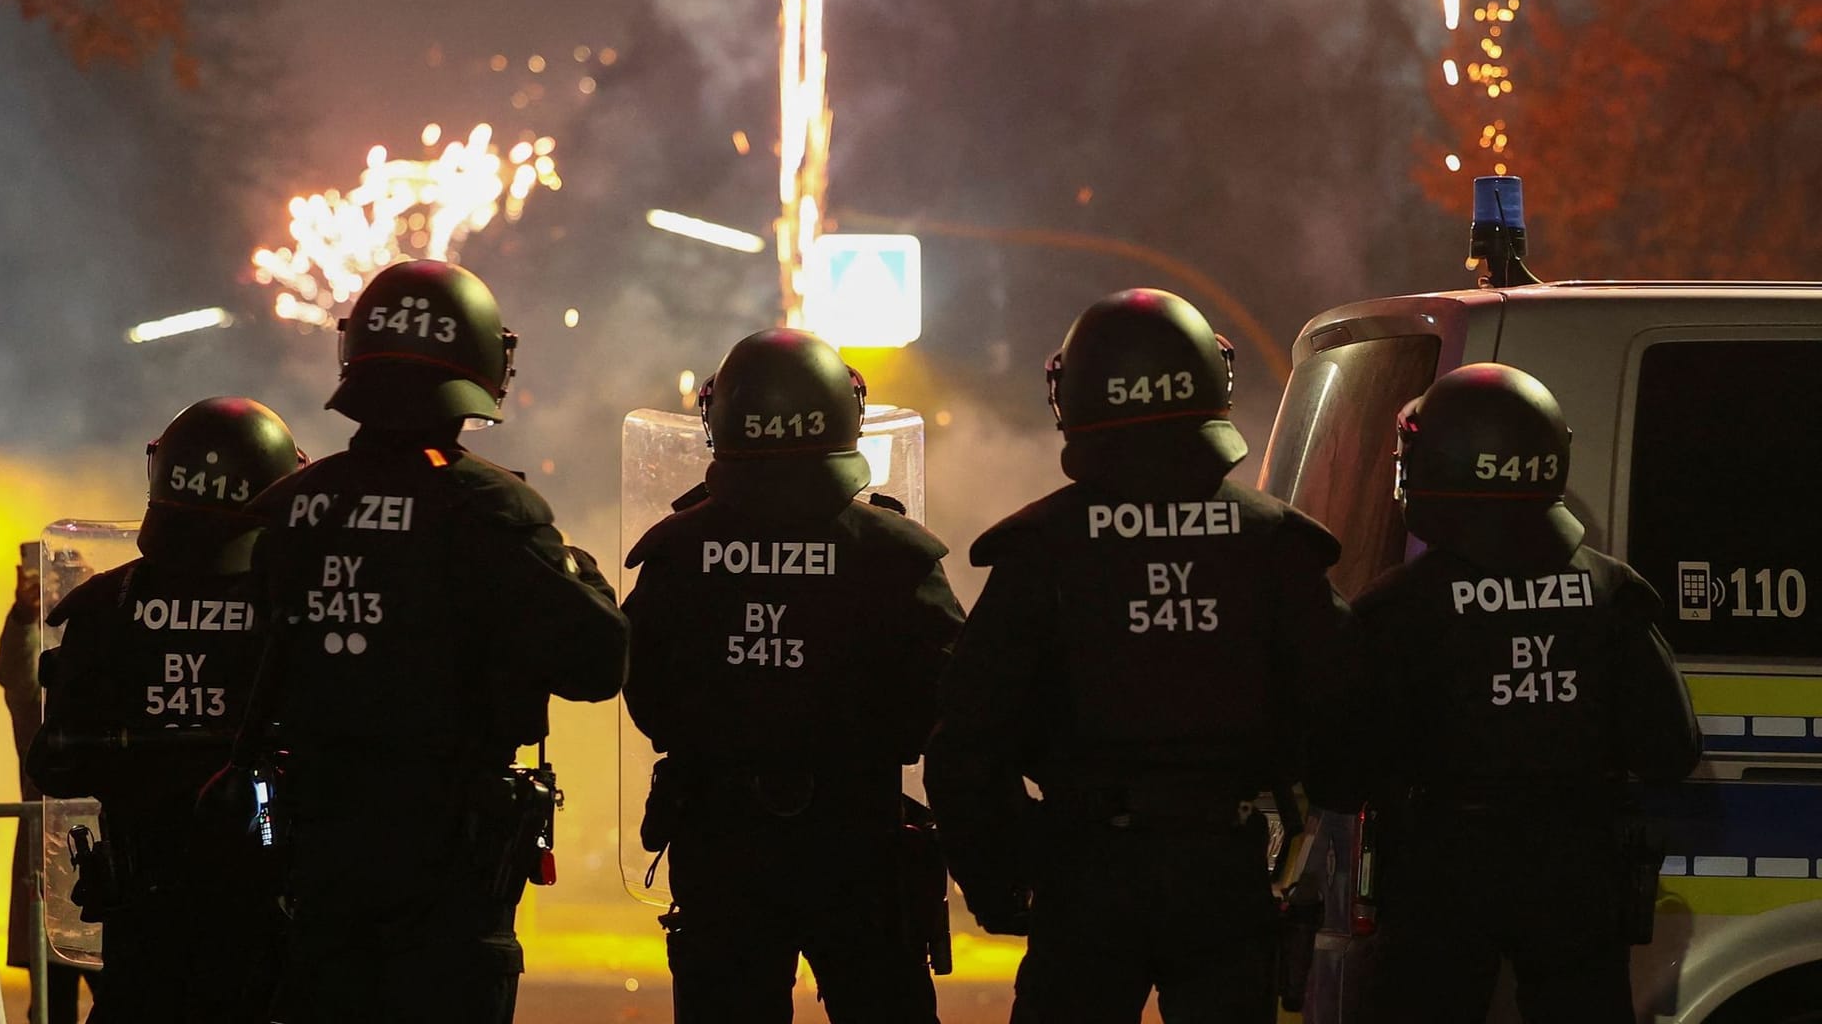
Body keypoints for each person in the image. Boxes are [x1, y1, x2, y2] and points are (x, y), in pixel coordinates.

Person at [925, 288, 1357, 1024]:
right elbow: (1345, 725)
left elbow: (966, 748)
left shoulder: (1041, 551)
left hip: (1084, 874)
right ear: (1208, 385)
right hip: (1225, 874)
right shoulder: (1277, 545)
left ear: (1077, 396)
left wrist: (1004, 880)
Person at [242, 258, 628, 1024]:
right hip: (447, 855)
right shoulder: (490, 510)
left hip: (315, 845)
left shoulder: (288, 507)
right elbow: (597, 662)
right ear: (483, 365)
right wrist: (577, 572)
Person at [622, 328, 965, 1024]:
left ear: (721, 419)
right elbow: (954, 697)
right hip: (860, 843)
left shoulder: (677, 553)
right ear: (847, 416)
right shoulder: (896, 556)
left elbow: (644, 689)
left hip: (719, 845)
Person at [1352, 363, 1701, 1024]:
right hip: (1577, 869)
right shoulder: (1612, 592)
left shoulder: (1397, 609)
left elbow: (1340, 772)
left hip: (1438, 874)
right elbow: (1671, 750)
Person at [26, 397, 304, 1023]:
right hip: (274, 928)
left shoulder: (105, 605)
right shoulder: (297, 608)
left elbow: (55, 766)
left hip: (141, 933)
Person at [0, 546, 99, 1023]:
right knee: (53, 1009)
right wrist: (23, 615)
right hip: (50, 871)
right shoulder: (38, 689)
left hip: (108, 867)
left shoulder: (113, 663)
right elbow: (15, 669)